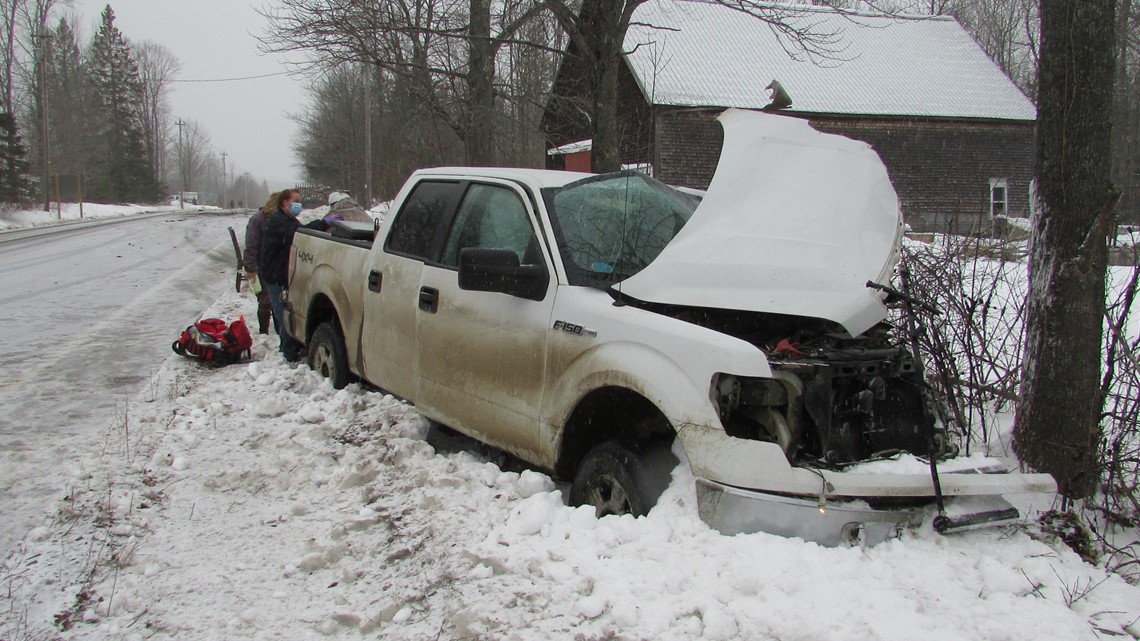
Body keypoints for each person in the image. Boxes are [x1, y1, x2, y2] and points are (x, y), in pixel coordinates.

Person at [259, 189, 340, 362]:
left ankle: (289, 348)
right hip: (276, 276)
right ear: (284, 203)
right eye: (295, 200)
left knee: (286, 312)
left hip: (280, 274)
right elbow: (300, 233)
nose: (299, 204)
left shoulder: (286, 219)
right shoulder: (279, 222)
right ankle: (288, 354)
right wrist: (323, 222)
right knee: (284, 314)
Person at [242, 192, 278, 334]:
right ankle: (263, 332)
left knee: (277, 300)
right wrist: (251, 268)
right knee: (265, 299)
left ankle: (278, 329)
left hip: (274, 266)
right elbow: (251, 245)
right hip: (261, 267)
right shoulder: (258, 220)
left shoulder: (276, 219)